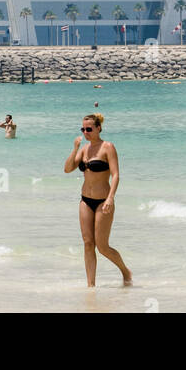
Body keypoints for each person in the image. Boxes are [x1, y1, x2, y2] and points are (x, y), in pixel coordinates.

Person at [64, 112, 132, 287]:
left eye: (89, 129)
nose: (86, 132)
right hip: (85, 200)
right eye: (83, 129)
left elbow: (116, 175)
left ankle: (125, 271)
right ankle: (91, 285)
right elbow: (67, 169)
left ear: (99, 128)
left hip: (103, 201)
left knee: (102, 247)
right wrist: (75, 149)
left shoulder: (108, 147)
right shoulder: (85, 149)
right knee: (88, 243)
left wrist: (110, 198)